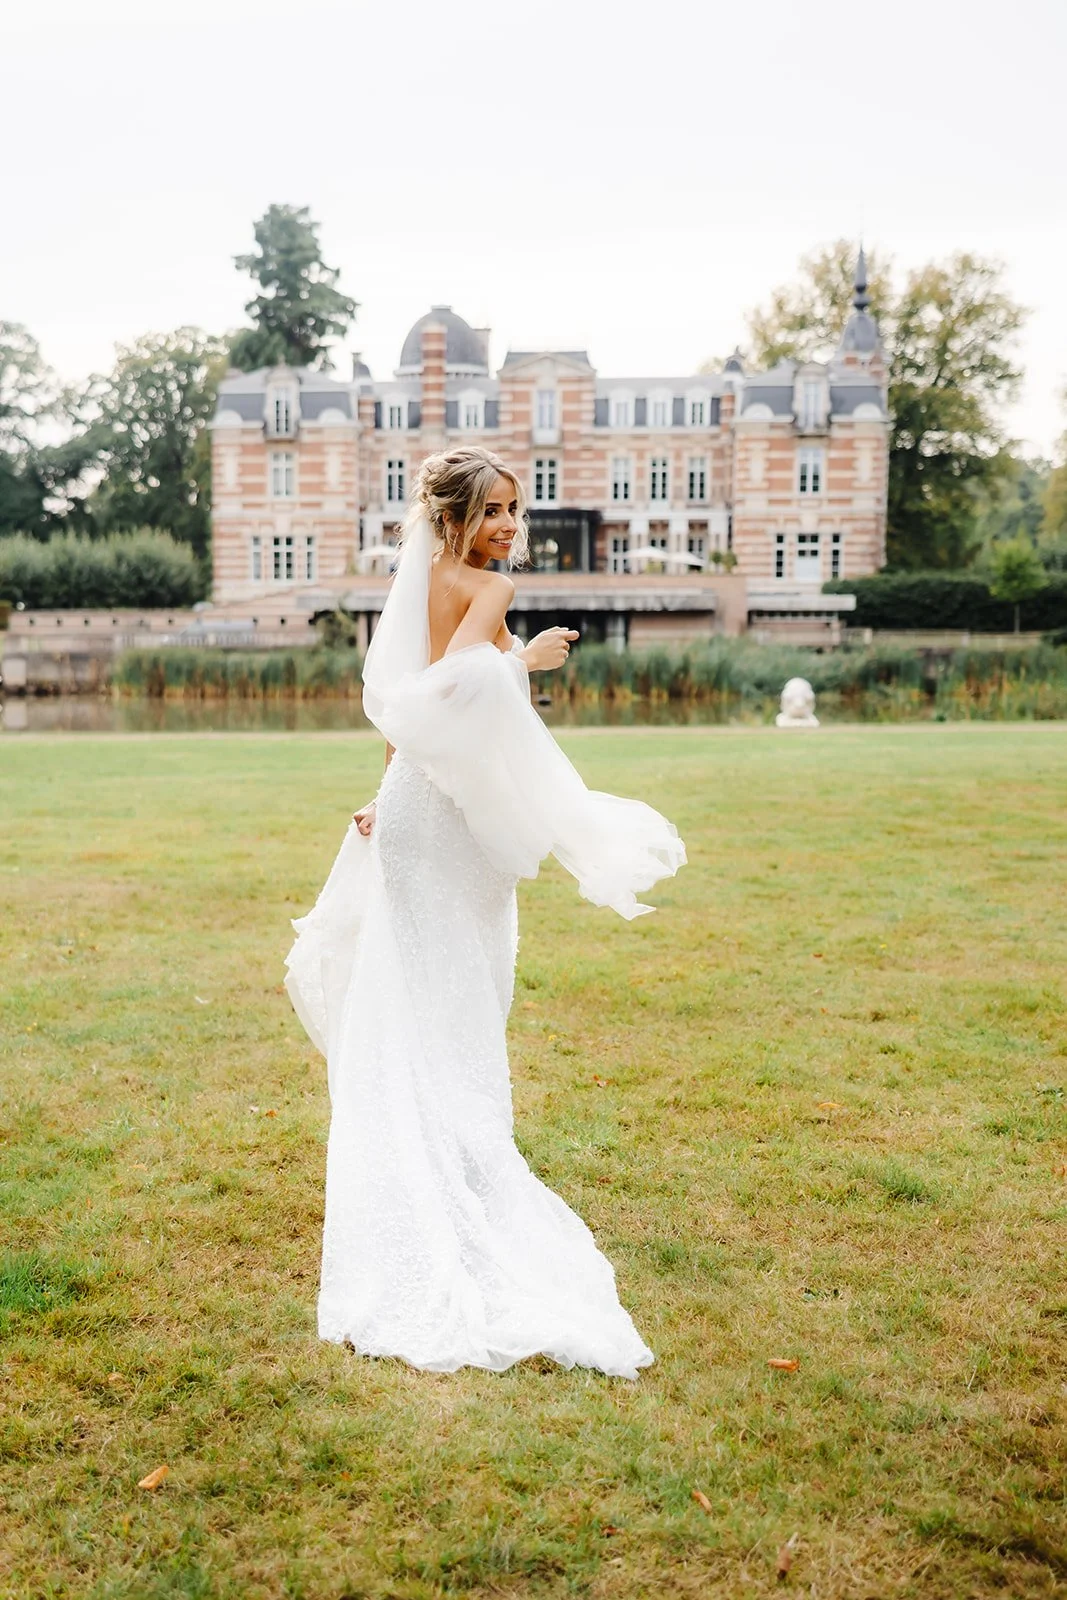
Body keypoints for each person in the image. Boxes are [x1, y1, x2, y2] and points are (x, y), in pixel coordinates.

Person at [285, 446, 686, 1378]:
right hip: (447, 820)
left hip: (420, 807)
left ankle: (430, 1160)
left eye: (516, 511)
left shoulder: (423, 587)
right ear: (454, 515)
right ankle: (457, 1171)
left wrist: (387, 795)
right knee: (462, 991)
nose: (511, 527)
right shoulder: (490, 595)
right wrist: (525, 661)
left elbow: (410, 718)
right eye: (495, 511)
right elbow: (451, 702)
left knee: (424, 990)